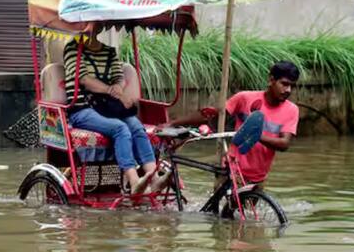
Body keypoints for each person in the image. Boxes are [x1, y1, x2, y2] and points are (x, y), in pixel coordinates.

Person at [170, 61, 300, 185]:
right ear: (271, 80)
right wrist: (173, 123)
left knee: (249, 207)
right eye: (284, 84)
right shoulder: (245, 98)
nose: (288, 90)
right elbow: (212, 115)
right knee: (224, 205)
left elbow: (284, 144)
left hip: (258, 175)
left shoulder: (291, 110)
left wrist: (255, 135)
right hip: (231, 167)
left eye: (292, 86)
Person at [63, 33, 160, 194]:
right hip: (82, 109)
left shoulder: (109, 51)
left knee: (136, 126)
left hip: (108, 107)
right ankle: (134, 181)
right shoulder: (73, 48)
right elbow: (84, 80)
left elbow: (119, 77)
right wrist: (111, 90)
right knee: (120, 128)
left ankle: (154, 178)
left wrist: (118, 88)